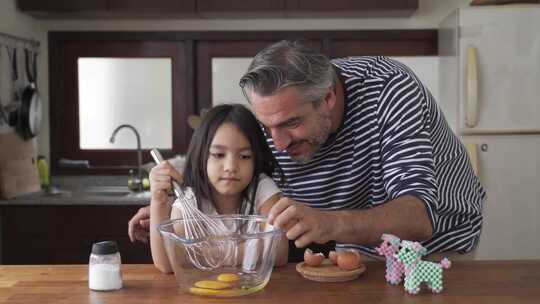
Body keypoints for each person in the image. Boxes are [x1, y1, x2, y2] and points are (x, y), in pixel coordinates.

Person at [131, 40, 486, 260]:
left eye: (291, 124)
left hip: (439, 250)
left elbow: (418, 218)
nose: (278, 143)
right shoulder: (275, 120)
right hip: (354, 251)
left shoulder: (390, 90)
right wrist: (180, 207)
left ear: (328, 98)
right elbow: (240, 176)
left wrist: (328, 221)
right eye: (267, 127)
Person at [149, 104, 288, 273]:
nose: (230, 166)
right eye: (219, 155)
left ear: (256, 158)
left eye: (244, 156)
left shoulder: (262, 189)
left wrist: (207, 254)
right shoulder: (190, 200)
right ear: (201, 156)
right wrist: (158, 203)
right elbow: (168, 264)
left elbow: (278, 252)